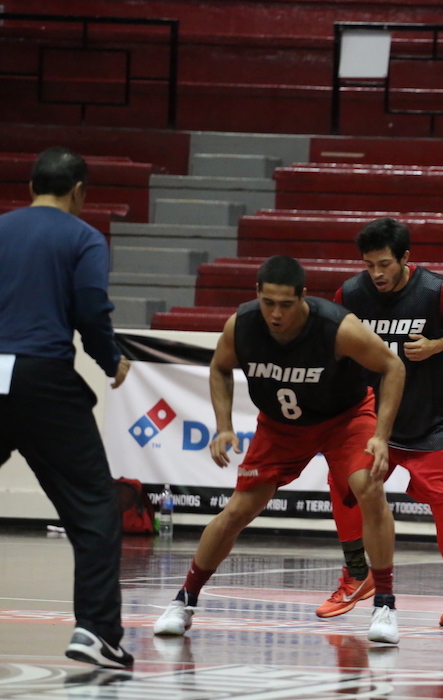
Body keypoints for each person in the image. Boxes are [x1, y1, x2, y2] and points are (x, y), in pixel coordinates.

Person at [153, 256, 406, 644]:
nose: (275, 313)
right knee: (237, 510)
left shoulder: (338, 328)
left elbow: (393, 366)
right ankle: (184, 599)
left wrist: (382, 435)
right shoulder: (242, 325)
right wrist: (222, 427)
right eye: (268, 302)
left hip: (345, 419)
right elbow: (220, 368)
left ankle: (385, 604)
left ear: (303, 297)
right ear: (257, 294)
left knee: (367, 485)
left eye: (285, 305)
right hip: (281, 427)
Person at [318, 217, 443, 627]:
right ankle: (357, 575)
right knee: (344, 489)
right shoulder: (351, 293)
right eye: (369, 264)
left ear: (405, 258)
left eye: (385, 264)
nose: (376, 273)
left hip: (431, 418)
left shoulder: (436, 289)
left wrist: (436, 345)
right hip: (373, 422)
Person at [0, 147, 133, 669]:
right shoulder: (83, 237)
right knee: (95, 508)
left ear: (32, 185)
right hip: (43, 378)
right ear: (78, 190)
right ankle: (97, 632)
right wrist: (109, 360)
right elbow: (89, 307)